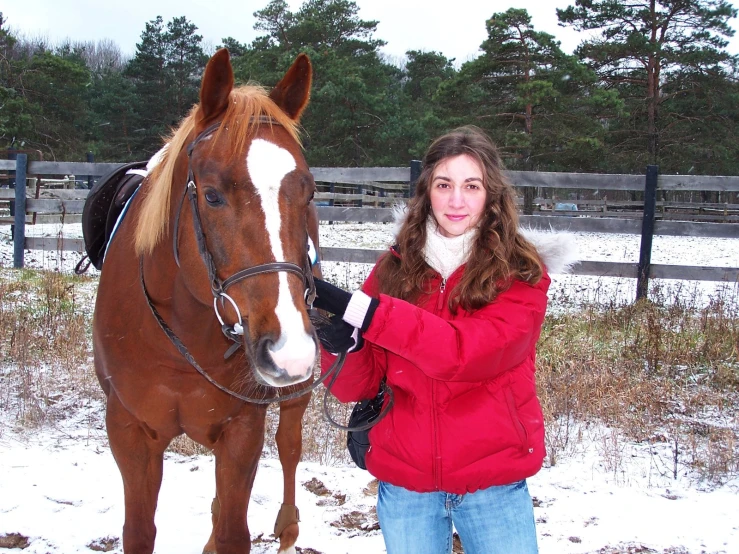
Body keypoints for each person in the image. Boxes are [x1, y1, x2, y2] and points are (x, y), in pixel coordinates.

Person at [312, 126, 574, 554]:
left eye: (471, 186)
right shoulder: (393, 270)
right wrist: (343, 344)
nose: (456, 200)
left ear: (491, 194)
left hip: (492, 482)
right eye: (444, 184)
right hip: (407, 484)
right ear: (426, 192)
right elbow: (353, 389)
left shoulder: (521, 273)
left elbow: (463, 353)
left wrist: (369, 314)